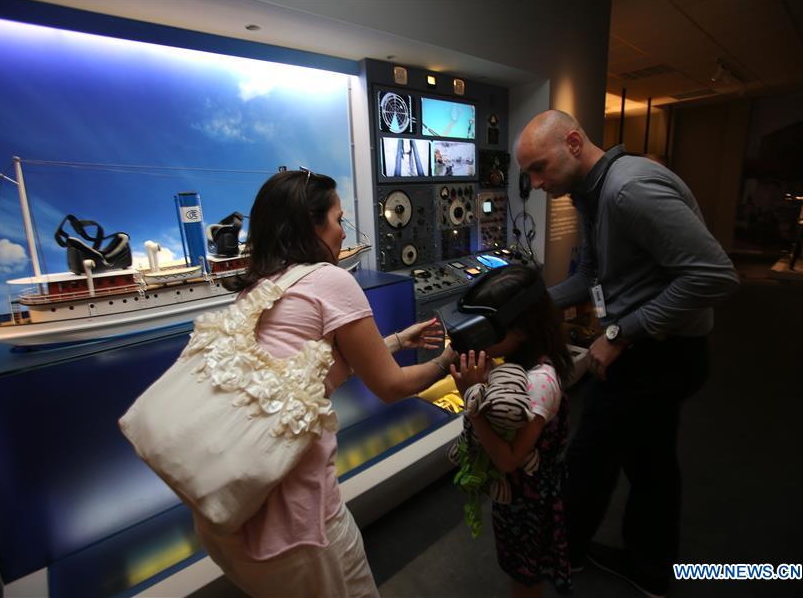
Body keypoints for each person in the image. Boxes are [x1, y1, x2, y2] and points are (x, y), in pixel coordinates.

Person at [194, 169, 456, 597]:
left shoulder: (255, 292)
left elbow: (312, 369)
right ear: (309, 226)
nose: (341, 232)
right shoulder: (332, 280)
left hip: (228, 521)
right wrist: (449, 359)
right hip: (296, 524)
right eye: (337, 219)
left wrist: (391, 341)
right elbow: (390, 388)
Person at [514, 110, 740, 596]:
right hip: (651, 346)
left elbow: (715, 275)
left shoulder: (627, 190)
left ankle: (567, 553)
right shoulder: (589, 196)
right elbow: (592, 278)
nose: (534, 183)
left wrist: (620, 334)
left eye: (538, 168)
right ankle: (652, 568)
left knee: (593, 449)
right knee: (650, 459)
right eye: (528, 173)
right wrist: (527, 305)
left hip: (663, 354)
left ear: (574, 143)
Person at [449, 264, 575, 597]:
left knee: (525, 574)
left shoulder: (540, 383)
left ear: (521, 331)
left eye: (489, 332)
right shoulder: (528, 363)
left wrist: (472, 403)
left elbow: (509, 460)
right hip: (520, 496)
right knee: (521, 567)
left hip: (529, 500)